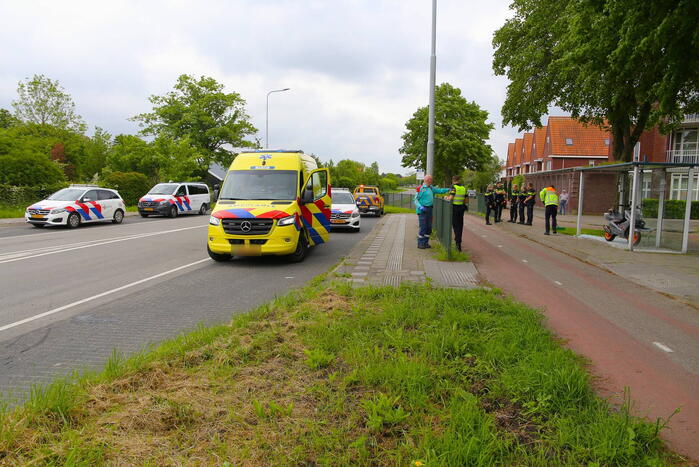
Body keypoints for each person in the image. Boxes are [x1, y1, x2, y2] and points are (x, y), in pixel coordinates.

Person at [414, 175, 450, 249]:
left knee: (429, 228)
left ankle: (425, 243)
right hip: (422, 210)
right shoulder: (420, 189)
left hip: (430, 209)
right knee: (423, 227)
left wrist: (448, 189)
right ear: (426, 180)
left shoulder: (431, 188)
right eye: (430, 179)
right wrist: (420, 206)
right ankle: (420, 243)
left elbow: (439, 190)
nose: (431, 181)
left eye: (431, 179)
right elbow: (415, 199)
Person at [446, 175, 468, 251]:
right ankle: (459, 244)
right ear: (459, 180)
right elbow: (466, 200)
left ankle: (457, 243)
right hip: (461, 208)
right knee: (460, 225)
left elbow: (451, 198)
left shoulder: (453, 187)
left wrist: (446, 198)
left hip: (454, 208)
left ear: (453, 180)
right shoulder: (463, 188)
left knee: (455, 226)